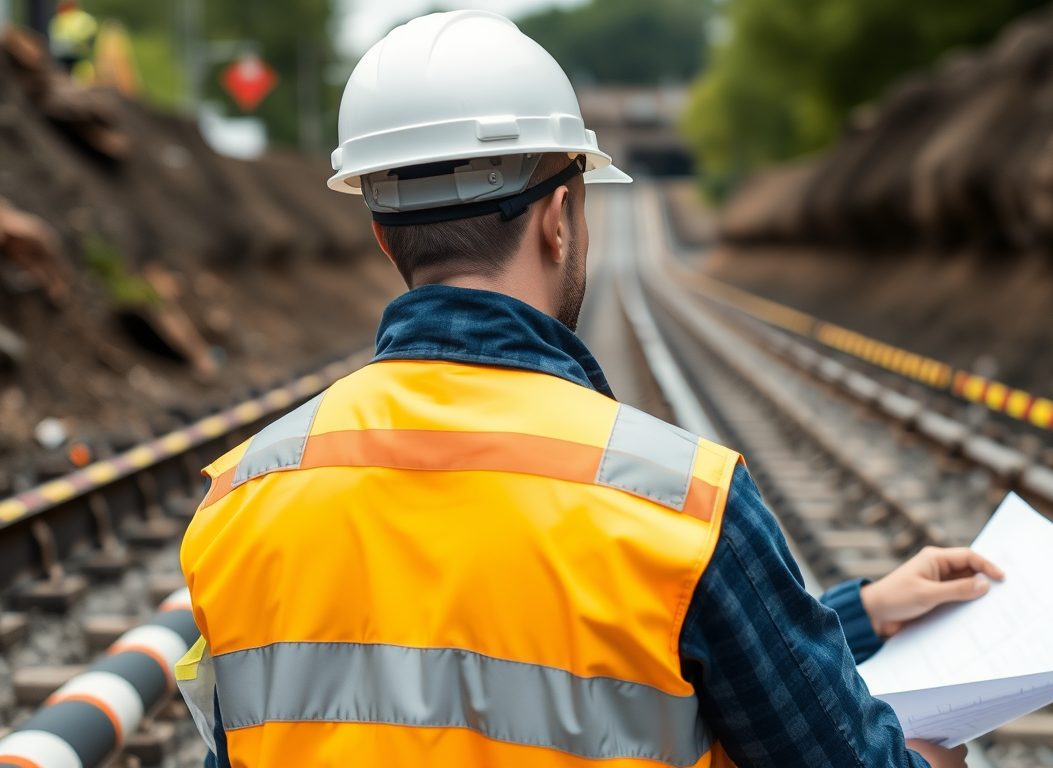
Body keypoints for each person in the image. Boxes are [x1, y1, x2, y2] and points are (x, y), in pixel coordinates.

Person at [174, 11, 1004, 768]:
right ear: (559, 218)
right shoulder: (682, 508)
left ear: (383, 235)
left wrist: (857, 617)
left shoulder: (240, 501)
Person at [47, 0, 97, 79]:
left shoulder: (59, 18)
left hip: (66, 50)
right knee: (78, 70)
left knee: (67, 69)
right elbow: (91, 32)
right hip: (76, 49)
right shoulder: (82, 17)